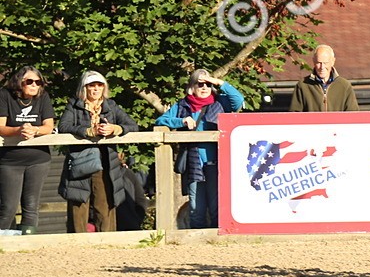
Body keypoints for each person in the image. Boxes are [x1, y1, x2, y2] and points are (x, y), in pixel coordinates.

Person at [155, 69, 244, 228]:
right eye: (200, 84)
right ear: (192, 87)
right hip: (193, 163)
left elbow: (238, 99)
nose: (204, 88)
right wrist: (181, 121)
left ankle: (219, 240)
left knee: (217, 206)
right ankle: (197, 242)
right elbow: (161, 120)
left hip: (216, 162)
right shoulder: (182, 105)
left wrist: (218, 82)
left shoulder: (220, 102)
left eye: (208, 85)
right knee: (196, 207)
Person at [57, 71, 140, 232]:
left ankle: (106, 243)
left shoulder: (111, 106)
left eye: (99, 85)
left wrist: (114, 129)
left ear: (104, 88)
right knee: (78, 203)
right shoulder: (73, 105)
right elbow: (63, 127)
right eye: (91, 86)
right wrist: (88, 131)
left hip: (105, 162)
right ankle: (77, 243)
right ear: (84, 88)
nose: (95, 89)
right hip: (79, 161)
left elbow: (132, 125)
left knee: (104, 205)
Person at [0, 66, 56, 234]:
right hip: (10, 161)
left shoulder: (43, 97)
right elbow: (1, 126)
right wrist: (18, 131)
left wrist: (35, 130)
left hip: (38, 159)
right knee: (8, 206)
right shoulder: (5, 95)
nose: (34, 85)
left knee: (31, 206)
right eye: (29, 81)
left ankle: (27, 243)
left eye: (38, 82)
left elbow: (49, 126)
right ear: (19, 82)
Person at [290, 44, 359, 112]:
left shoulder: (344, 86)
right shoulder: (303, 85)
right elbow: (294, 116)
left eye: (325, 63)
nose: (322, 67)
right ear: (314, 61)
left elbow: (353, 115)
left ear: (333, 62)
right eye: (319, 63)